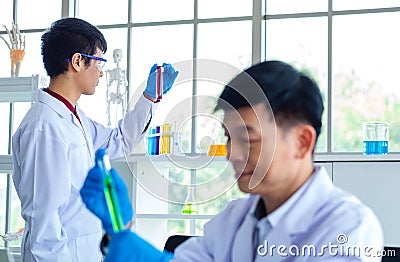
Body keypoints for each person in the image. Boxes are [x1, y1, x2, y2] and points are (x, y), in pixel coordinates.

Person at [80, 60, 384, 261]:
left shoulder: (349, 228)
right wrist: (119, 231)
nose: (234, 154)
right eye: (228, 137)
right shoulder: (235, 219)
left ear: (302, 141)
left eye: (250, 139)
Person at [11, 17, 178, 262]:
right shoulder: (44, 127)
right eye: (99, 62)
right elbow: (43, 223)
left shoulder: (74, 118)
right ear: (78, 61)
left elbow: (119, 141)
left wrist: (149, 98)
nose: (101, 72)